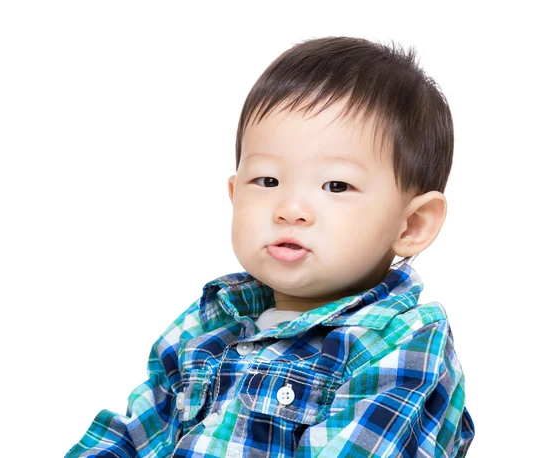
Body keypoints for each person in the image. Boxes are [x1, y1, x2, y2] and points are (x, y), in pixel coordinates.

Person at [65, 36, 475, 457]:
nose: (291, 209)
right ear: (234, 192)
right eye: (267, 181)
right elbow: (134, 436)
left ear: (411, 224)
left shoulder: (402, 341)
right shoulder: (209, 325)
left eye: (336, 185)